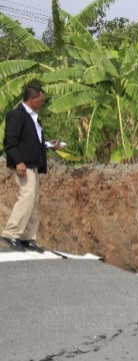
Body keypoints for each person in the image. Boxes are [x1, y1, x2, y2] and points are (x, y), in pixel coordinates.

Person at [1, 84, 58, 253]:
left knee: (33, 200)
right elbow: (10, 141)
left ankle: (27, 237)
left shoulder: (34, 117)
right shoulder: (17, 115)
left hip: (33, 165)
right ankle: (11, 233)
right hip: (23, 166)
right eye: (41, 99)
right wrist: (19, 161)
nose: (43, 102)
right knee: (26, 196)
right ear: (32, 99)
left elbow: (32, 142)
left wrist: (49, 144)